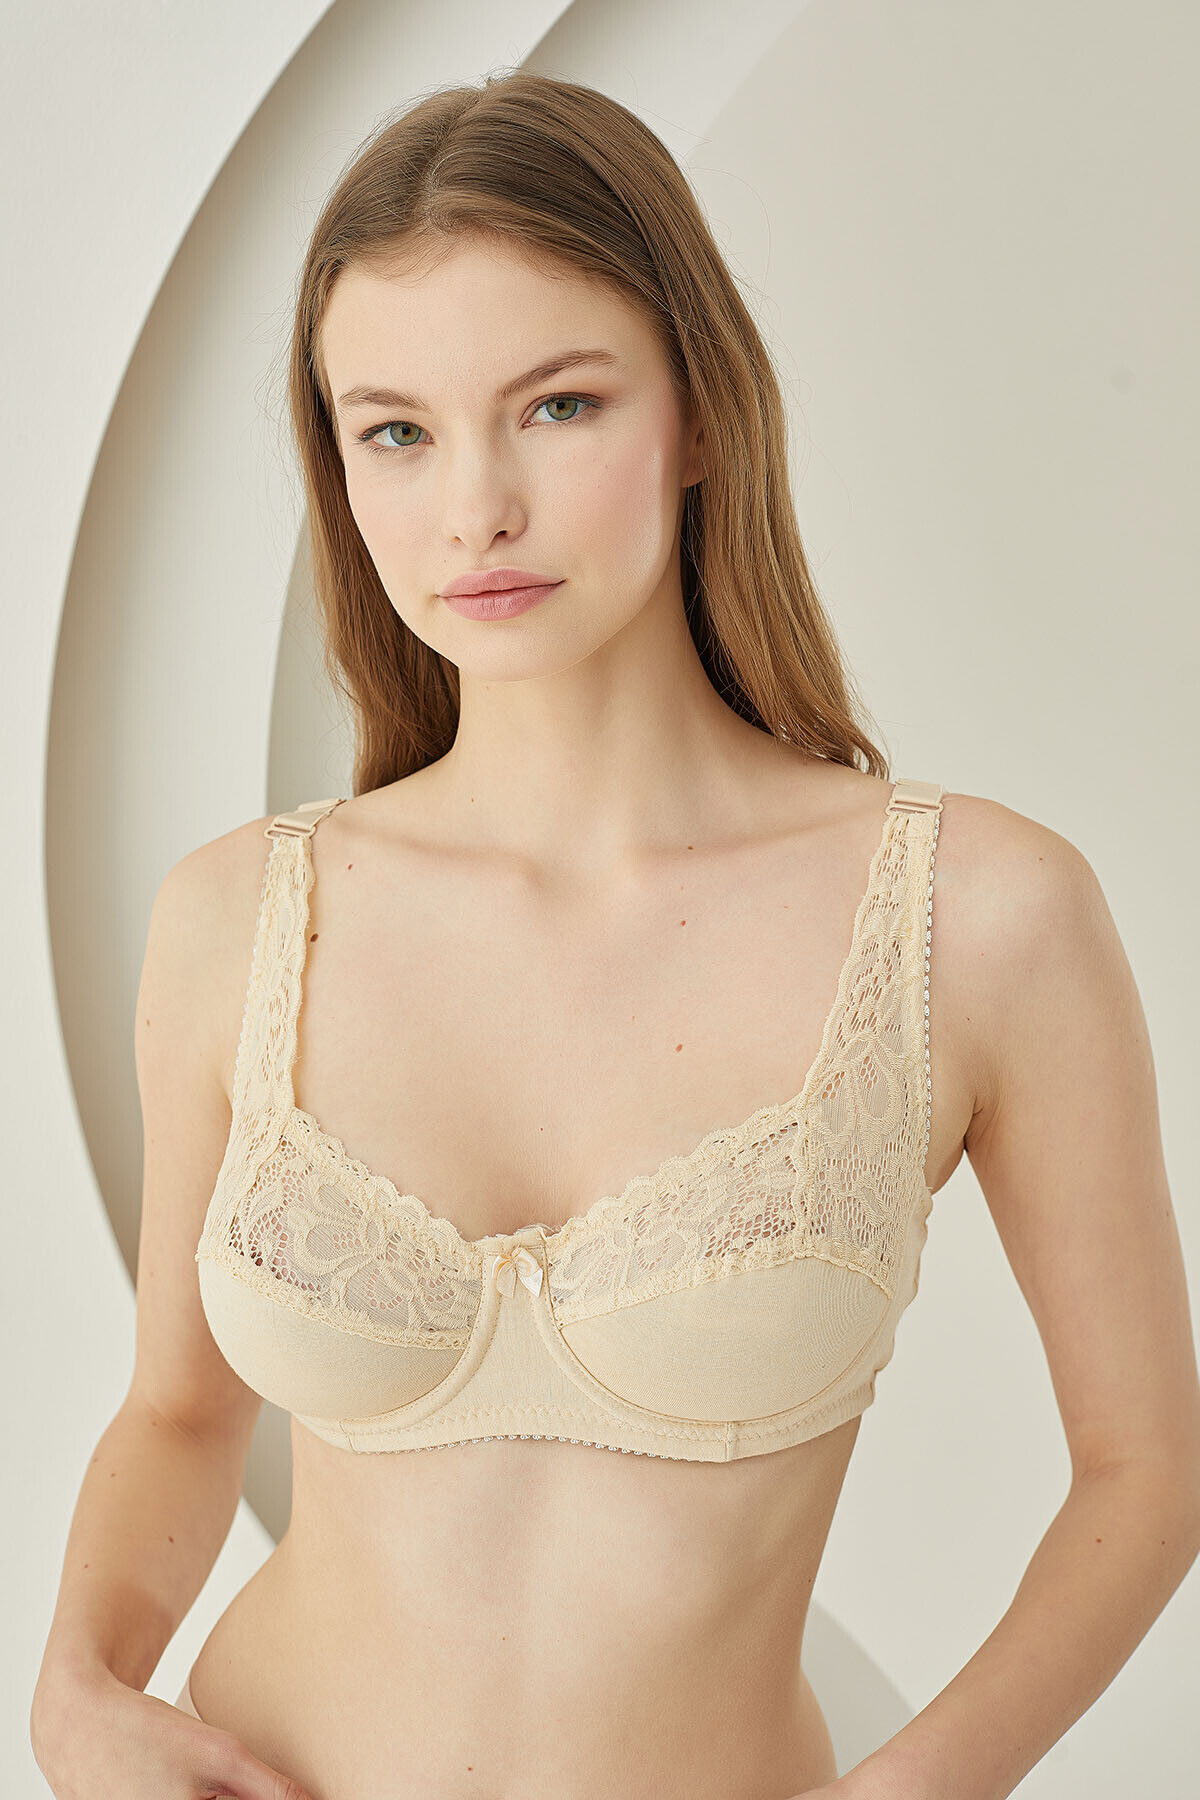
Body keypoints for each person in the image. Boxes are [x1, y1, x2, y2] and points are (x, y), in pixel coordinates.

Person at [31, 68, 1200, 1800]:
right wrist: (75, 1688)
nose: (474, 510)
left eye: (558, 406)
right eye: (396, 431)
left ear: (701, 413)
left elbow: (1148, 1466)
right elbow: (181, 1416)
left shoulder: (978, 919)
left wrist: (917, 1788)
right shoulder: (236, 920)